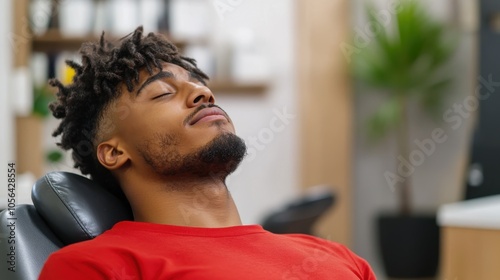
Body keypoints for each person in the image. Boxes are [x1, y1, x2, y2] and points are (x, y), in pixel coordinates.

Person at [38, 26, 376, 280]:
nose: (203, 92)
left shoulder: (336, 257)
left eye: (198, 83)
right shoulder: (97, 267)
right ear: (114, 152)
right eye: (162, 92)